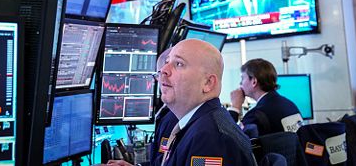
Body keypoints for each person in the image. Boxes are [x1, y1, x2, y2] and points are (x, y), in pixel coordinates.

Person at [110, 39, 256, 166]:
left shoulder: (210, 138)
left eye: (179, 64)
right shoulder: (196, 125)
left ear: (208, 83)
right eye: (167, 62)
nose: (163, 70)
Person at [229, 58, 303, 136]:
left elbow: (229, 138)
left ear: (254, 81)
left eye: (242, 78)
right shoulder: (290, 105)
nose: (240, 83)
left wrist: (235, 107)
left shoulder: (256, 116)